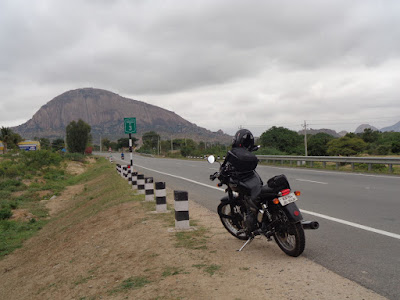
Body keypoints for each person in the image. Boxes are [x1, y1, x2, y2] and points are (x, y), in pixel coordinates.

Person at [221, 129, 261, 235]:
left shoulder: (233, 153)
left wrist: (220, 174)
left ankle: (251, 225)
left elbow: (224, 166)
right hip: (253, 180)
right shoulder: (247, 154)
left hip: (242, 180)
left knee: (253, 201)